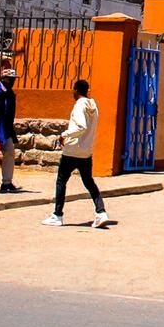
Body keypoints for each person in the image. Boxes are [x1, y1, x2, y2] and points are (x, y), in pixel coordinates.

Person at [45, 79, 109, 228]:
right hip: (86, 151)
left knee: (61, 181)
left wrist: (64, 135)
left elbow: (81, 126)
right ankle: (101, 212)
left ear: (75, 90)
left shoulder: (80, 105)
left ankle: (57, 215)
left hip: (72, 150)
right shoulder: (93, 106)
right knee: (88, 181)